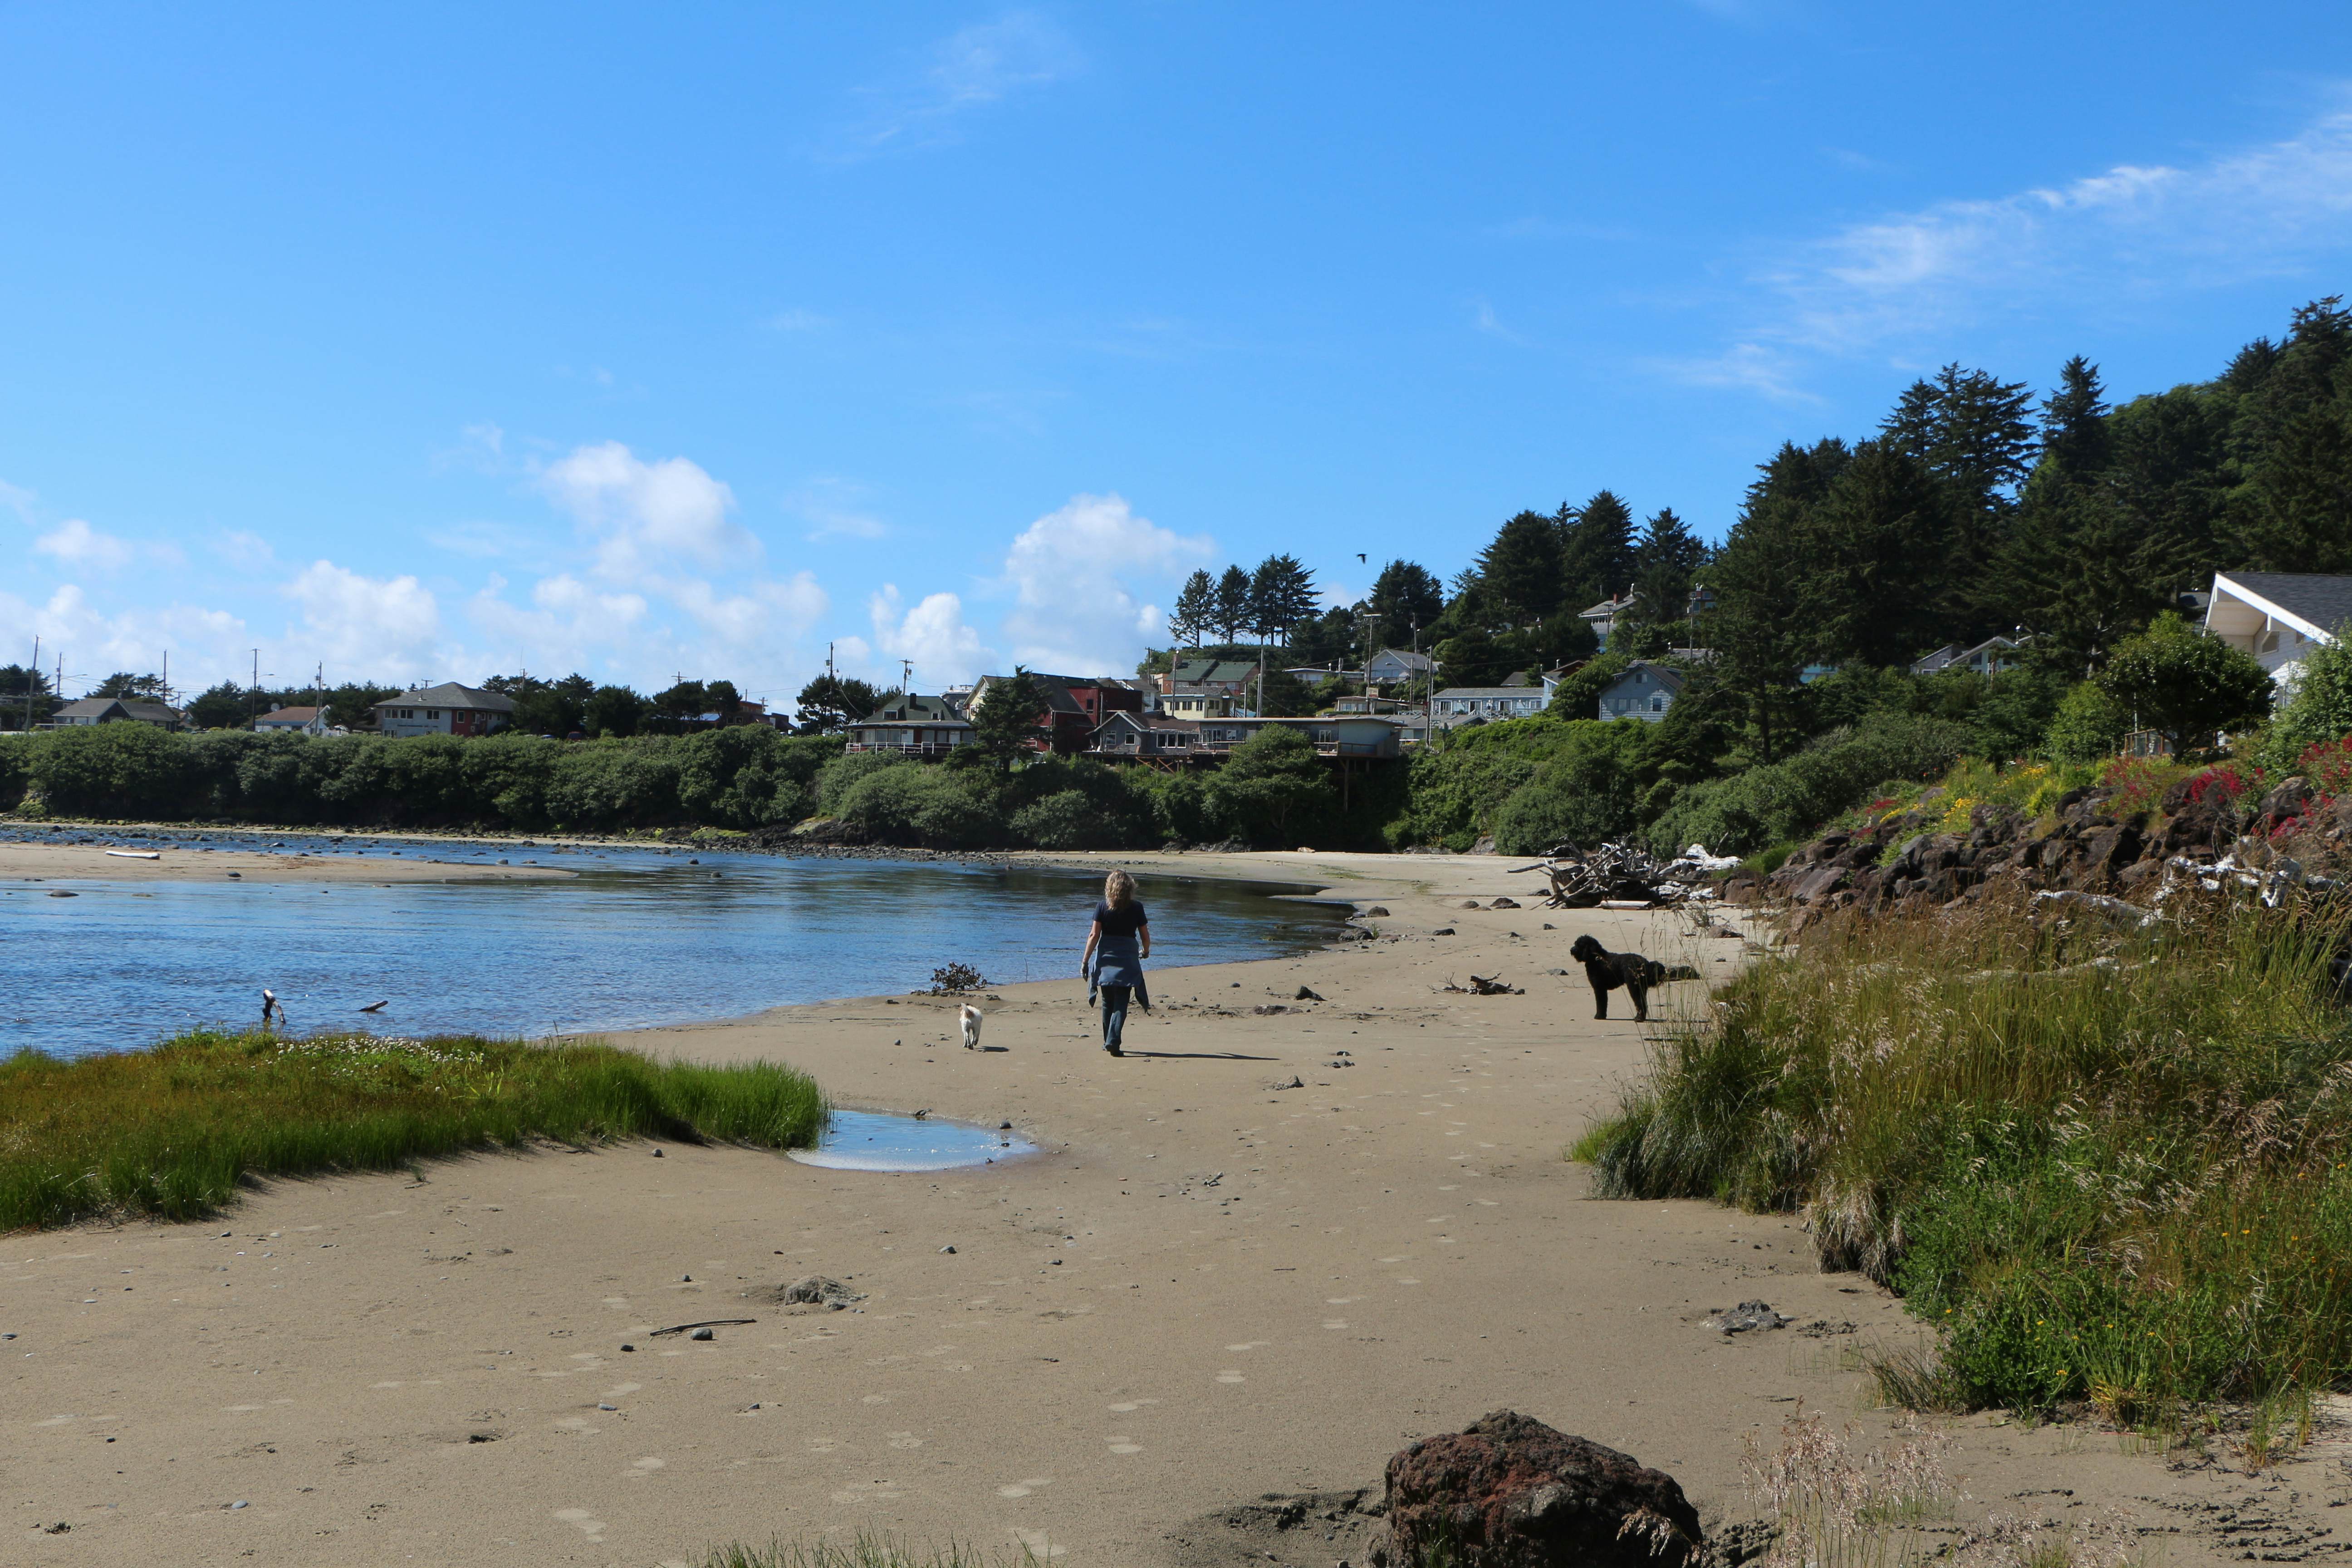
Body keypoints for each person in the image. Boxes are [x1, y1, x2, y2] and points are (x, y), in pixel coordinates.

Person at [1081, 869, 1151, 1056]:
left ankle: (1108, 1041)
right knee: (1121, 1003)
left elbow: (1094, 935)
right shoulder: (1137, 908)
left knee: (1107, 1002)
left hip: (1106, 959)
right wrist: (1146, 951)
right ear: (1130, 888)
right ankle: (1113, 1041)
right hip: (1127, 959)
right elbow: (1145, 935)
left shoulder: (1102, 907)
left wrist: (1085, 961)